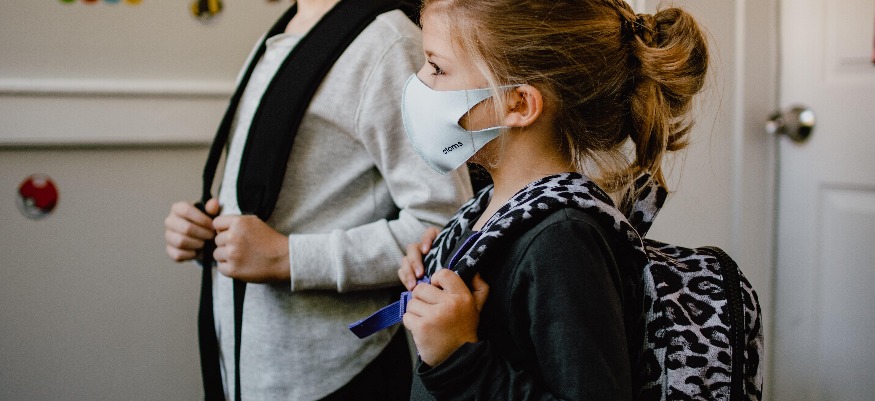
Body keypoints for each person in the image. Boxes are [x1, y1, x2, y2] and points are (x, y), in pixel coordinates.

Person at [396, 0, 710, 399]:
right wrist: (441, 256)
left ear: (518, 104)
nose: (420, 82)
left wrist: (459, 358)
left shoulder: (563, 242)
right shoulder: (499, 206)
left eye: (437, 68)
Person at [163, 0, 472, 399]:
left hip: (335, 373)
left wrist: (287, 258)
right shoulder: (282, 33)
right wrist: (205, 231)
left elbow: (445, 225)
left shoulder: (387, 45)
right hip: (246, 363)